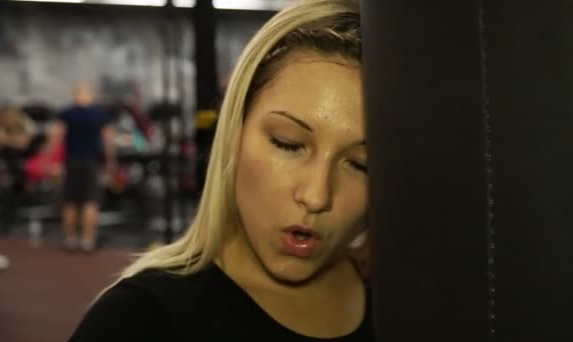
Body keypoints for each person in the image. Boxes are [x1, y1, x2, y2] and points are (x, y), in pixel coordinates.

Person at [70, 0, 372, 340]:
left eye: (360, 164)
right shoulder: (138, 321)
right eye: (287, 143)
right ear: (234, 134)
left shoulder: (407, 299)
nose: (316, 196)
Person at [47, 83, 116, 252]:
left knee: (70, 201)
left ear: (75, 95)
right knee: (90, 201)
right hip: (91, 162)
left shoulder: (66, 113)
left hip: (72, 162)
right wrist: (110, 161)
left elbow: (56, 137)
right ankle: (87, 240)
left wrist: (49, 159)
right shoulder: (99, 115)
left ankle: (70, 239)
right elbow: (108, 140)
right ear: (89, 96)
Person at [0, 104, 39, 235]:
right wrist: (12, 141)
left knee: (17, 184)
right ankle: (6, 222)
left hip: (20, 170)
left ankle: (13, 219)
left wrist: (9, 140)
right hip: (4, 169)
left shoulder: (22, 129)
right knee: (6, 185)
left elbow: (26, 146)